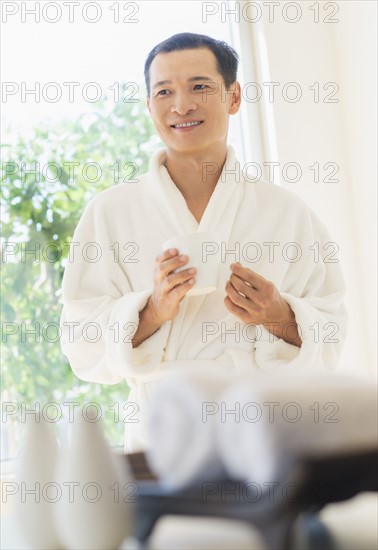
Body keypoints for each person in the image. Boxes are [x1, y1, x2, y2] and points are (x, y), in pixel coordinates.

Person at [60, 33, 347, 452]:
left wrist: (279, 315)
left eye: (199, 87)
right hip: (164, 435)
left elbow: (332, 336)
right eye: (164, 92)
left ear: (233, 97)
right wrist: (153, 310)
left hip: (265, 431)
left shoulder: (287, 212)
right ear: (148, 106)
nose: (181, 106)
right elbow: (81, 344)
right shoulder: (109, 214)